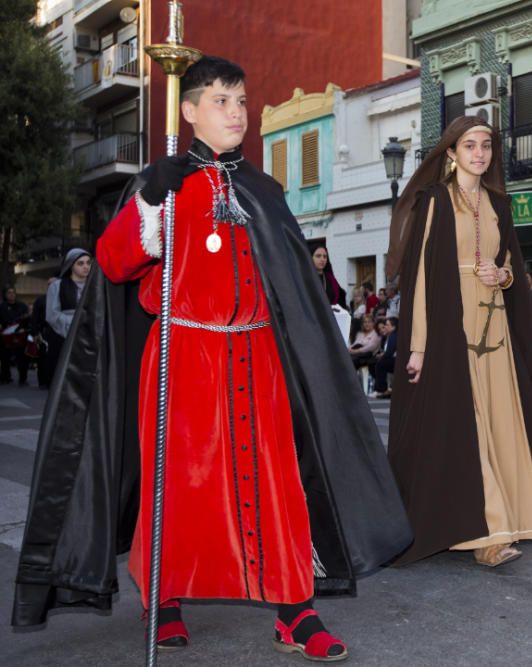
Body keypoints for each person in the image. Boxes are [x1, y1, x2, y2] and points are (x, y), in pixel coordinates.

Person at [11, 57, 412, 661]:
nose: (235, 112)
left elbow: (291, 286)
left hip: (258, 357)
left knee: (278, 487)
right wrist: (150, 198)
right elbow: (116, 263)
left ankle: (295, 611)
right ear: (189, 110)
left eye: (242, 101)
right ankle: (164, 598)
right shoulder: (162, 185)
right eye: (220, 100)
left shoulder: (263, 189)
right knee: (179, 487)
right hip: (184, 356)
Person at [385, 116, 532, 567]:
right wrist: (419, 346)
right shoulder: (435, 202)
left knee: (501, 421)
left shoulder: (499, 204)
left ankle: (513, 518)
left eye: (486, 146)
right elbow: (422, 277)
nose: (479, 153)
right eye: (469, 146)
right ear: (451, 153)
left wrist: (502, 276)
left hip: (495, 324)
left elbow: (511, 269)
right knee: (471, 425)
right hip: (450, 324)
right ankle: (486, 534)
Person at [0, 287, 30, 386]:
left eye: (13, 292)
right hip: (6, 335)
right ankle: (5, 377)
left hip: (20, 334)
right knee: (5, 357)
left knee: (22, 357)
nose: (11, 294)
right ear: (5, 295)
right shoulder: (2, 307)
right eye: (9, 293)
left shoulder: (22, 306)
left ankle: (23, 379)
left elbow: (28, 318)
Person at [371, 316, 397, 398]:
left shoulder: (394, 335)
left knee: (380, 364)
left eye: (387, 325)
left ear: (393, 327)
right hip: (393, 359)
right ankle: (378, 388)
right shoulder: (389, 336)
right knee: (373, 362)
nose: (385, 326)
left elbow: (389, 352)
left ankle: (381, 390)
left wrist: (381, 357)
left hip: (398, 361)